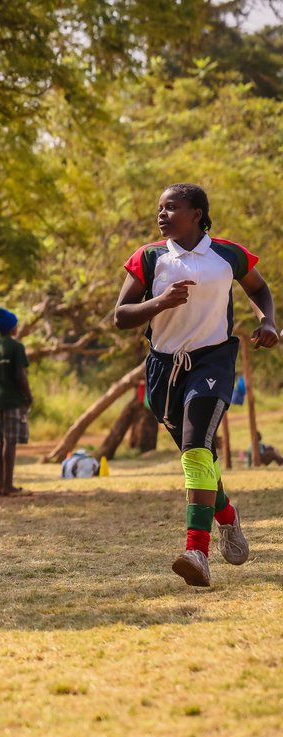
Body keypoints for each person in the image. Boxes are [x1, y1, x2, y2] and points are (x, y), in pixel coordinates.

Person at [114, 182, 276, 587]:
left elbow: (259, 289)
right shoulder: (149, 257)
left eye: (172, 208)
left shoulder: (227, 254)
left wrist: (268, 320)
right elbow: (121, 315)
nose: (162, 215)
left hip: (213, 360)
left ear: (198, 214)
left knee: (195, 450)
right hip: (163, 368)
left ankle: (196, 552)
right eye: (160, 209)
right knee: (198, 459)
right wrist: (159, 302)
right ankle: (227, 515)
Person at [0, 307, 33, 497]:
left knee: (2, 441)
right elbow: (21, 375)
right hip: (13, 399)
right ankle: (8, 486)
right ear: (12, 328)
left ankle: (1, 486)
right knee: (10, 442)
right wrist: (28, 396)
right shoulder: (16, 347)